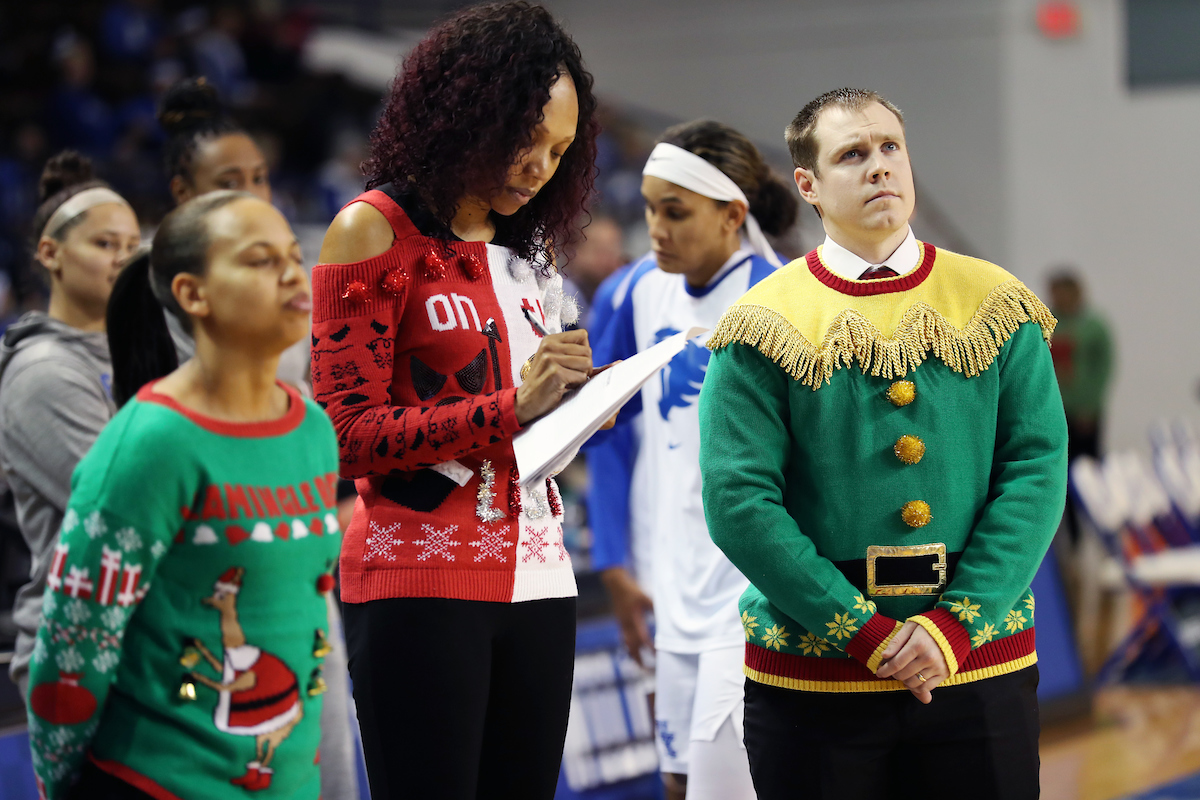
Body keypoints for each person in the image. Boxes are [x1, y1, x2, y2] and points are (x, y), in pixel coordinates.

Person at [699, 88, 1068, 800]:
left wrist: (954, 628)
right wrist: (863, 633)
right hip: (814, 679)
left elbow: (1036, 469)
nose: (879, 168)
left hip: (979, 668)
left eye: (890, 148)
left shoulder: (997, 301)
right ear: (806, 184)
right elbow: (738, 500)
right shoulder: (759, 323)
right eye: (852, 155)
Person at [310, 3, 600, 798]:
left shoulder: (529, 251)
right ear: (467, 114)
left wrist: (579, 406)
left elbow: (530, 420)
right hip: (418, 581)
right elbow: (345, 433)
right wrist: (514, 405)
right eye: (524, 140)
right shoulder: (372, 231)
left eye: (559, 151)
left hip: (542, 578)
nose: (539, 167)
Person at [26, 190, 339, 799]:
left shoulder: (312, 429)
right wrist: (62, 778)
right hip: (157, 783)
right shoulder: (152, 440)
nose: (292, 273)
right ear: (194, 294)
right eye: (258, 260)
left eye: (293, 256)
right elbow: (76, 638)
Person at [155, 75, 358, 798]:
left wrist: (342, 506)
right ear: (184, 193)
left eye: (260, 178)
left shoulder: (299, 400)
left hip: (303, 578)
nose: (250, 194)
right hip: (204, 596)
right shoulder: (157, 407)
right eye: (227, 182)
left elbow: (332, 435)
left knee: (326, 767)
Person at [587, 119, 797, 800]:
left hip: (755, 597)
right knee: (678, 787)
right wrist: (615, 562)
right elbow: (608, 431)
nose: (656, 228)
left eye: (675, 212)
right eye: (649, 208)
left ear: (733, 214)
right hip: (668, 590)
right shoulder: (631, 291)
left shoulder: (788, 302)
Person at [0, 152, 140, 698]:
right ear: (49, 254)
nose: (122, 261)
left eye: (132, 248)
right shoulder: (42, 372)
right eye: (105, 245)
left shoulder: (139, 353)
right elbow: (127, 510)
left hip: (145, 633)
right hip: (82, 649)